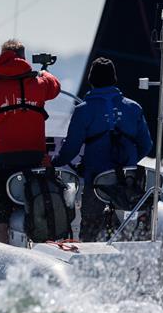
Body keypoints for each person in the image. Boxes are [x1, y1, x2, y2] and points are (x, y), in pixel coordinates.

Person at [51, 57, 152, 241]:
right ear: (114, 79)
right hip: (127, 185)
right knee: (128, 230)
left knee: (90, 228)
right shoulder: (134, 108)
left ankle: (86, 260)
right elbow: (147, 145)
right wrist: (127, 165)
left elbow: (70, 150)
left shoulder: (83, 111)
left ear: (91, 80)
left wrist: (53, 164)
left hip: (97, 184)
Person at [0, 39, 61, 243]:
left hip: (5, 160)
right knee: (39, 198)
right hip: (35, 158)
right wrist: (44, 72)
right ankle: (43, 245)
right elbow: (55, 87)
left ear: (1, 57)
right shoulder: (40, 83)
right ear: (23, 57)